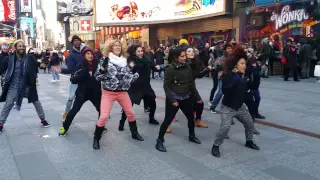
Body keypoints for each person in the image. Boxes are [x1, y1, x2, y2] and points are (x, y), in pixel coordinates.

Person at [94, 39, 144, 150]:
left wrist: (135, 75)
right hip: (108, 93)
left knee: (130, 113)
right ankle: (96, 139)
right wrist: (102, 69)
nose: (118, 47)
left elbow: (128, 76)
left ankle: (134, 133)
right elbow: (97, 77)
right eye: (115, 45)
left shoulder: (125, 61)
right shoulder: (105, 60)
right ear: (110, 48)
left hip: (122, 92)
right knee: (104, 116)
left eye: (119, 45)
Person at [211, 46, 260, 157]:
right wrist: (237, 80)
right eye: (242, 64)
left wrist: (256, 75)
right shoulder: (228, 76)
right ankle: (215, 146)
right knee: (225, 128)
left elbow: (252, 89)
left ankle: (249, 141)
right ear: (235, 66)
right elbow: (226, 91)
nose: (244, 66)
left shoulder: (245, 75)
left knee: (249, 124)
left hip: (240, 107)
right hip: (228, 107)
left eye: (245, 64)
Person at [155, 47, 202, 152]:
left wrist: (197, 98)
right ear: (176, 57)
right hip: (174, 98)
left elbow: (191, 84)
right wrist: (172, 100)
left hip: (185, 97)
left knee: (190, 118)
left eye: (185, 56)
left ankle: (192, 135)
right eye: (182, 56)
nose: (184, 58)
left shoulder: (187, 66)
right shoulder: (170, 68)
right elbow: (166, 86)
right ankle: (159, 141)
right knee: (167, 120)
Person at [0, 40, 50, 133]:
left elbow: (37, 64)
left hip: (27, 86)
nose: (22, 48)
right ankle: (1, 124)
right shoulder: (9, 59)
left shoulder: (29, 58)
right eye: (19, 46)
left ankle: (43, 119)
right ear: (15, 48)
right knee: (8, 105)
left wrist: (42, 65)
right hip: (14, 86)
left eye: (23, 46)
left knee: (36, 102)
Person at [59, 48, 101, 136]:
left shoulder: (97, 65)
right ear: (84, 55)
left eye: (91, 54)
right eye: (88, 54)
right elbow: (73, 79)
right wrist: (81, 74)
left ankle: (100, 125)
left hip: (94, 92)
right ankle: (64, 127)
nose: (90, 56)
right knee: (74, 110)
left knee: (101, 110)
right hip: (82, 93)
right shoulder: (80, 65)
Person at [119, 45, 160, 131]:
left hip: (146, 86)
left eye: (141, 51)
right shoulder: (132, 60)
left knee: (152, 102)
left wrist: (156, 67)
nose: (141, 53)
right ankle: (122, 122)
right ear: (134, 52)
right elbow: (129, 67)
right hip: (135, 87)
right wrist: (131, 67)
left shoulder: (147, 59)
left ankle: (151, 118)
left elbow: (152, 64)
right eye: (138, 51)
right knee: (128, 106)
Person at [61, 35, 87, 122]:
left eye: (78, 40)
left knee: (96, 98)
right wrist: (60, 70)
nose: (76, 42)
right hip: (76, 80)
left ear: (80, 41)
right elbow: (70, 69)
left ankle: (102, 118)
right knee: (71, 97)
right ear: (72, 43)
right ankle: (66, 114)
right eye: (74, 41)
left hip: (87, 80)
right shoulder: (71, 55)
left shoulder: (86, 51)